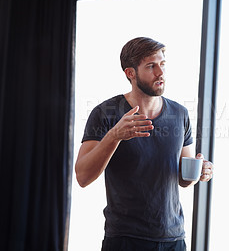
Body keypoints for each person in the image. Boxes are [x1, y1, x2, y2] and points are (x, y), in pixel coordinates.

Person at [75, 37, 213, 251]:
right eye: (151, 66)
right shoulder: (106, 113)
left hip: (173, 239)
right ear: (130, 73)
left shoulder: (180, 114)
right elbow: (83, 177)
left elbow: (184, 180)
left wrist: (200, 170)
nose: (161, 72)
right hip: (125, 239)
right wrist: (114, 136)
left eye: (163, 64)